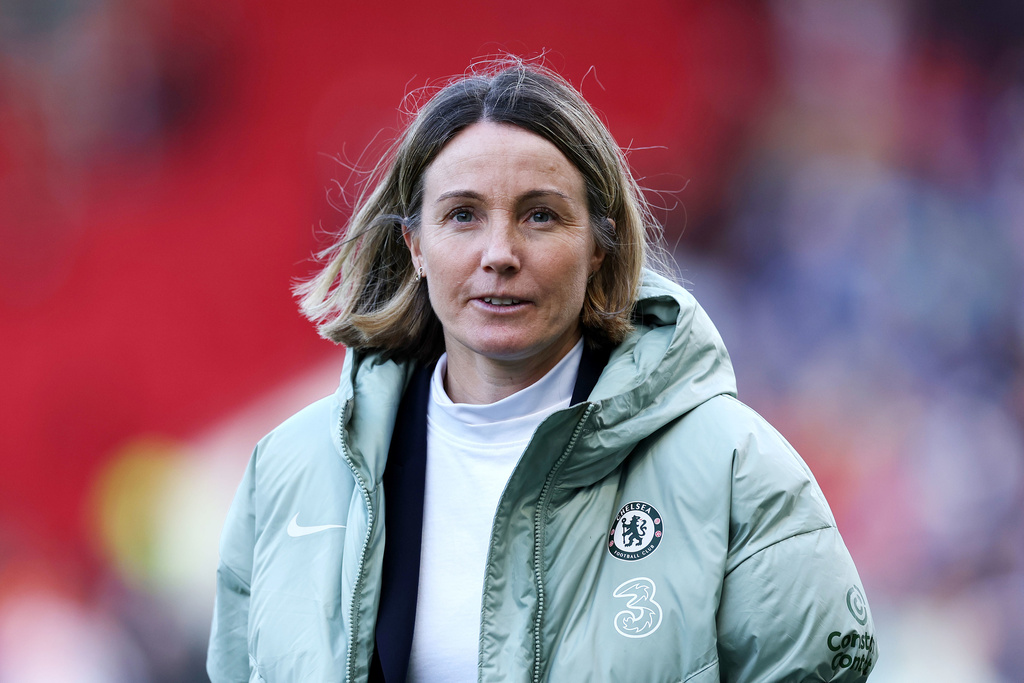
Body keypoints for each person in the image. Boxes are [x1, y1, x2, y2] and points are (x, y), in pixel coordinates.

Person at [207, 58, 878, 683]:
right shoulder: (289, 470)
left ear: (598, 244)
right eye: (463, 215)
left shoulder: (737, 468)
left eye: (540, 215)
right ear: (415, 245)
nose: (499, 253)